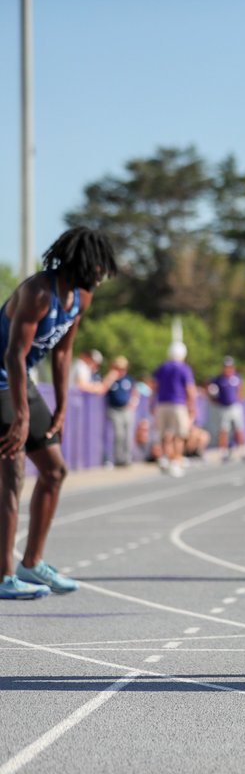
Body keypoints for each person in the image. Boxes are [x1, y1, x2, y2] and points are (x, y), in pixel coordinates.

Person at [0, 227, 118, 599]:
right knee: (12, 474)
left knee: (54, 470)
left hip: (19, 382)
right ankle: (4, 577)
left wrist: (63, 405)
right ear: (81, 262)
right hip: (4, 377)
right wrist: (20, 416)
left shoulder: (82, 298)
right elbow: (14, 356)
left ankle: (31, 565)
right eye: (98, 266)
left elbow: (64, 353)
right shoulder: (37, 292)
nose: (101, 273)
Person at [152, 342, 197, 478]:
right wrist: (193, 407)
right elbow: (190, 389)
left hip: (162, 404)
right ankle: (176, 461)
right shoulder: (184, 368)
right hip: (178, 404)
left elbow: (155, 386)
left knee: (164, 434)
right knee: (179, 435)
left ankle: (165, 458)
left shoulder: (163, 367)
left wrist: (152, 404)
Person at [207, 356, 245, 463]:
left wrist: (240, 399)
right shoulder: (218, 379)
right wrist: (214, 400)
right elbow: (210, 391)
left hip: (235, 407)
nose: (227, 369)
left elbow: (242, 389)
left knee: (239, 429)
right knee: (223, 430)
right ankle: (223, 453)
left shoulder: (237, 378)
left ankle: (243, 451)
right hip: (223, 408)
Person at [104, 355, 138, 467]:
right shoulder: (111, 380)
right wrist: (111, 377)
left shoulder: (128, 379)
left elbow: (135, 392)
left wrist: (133, 403)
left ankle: (127, 459)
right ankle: (118, 459)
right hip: (114, 409)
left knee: (128, 435)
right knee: (119, 434)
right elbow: (102, 388)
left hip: (126, 410)